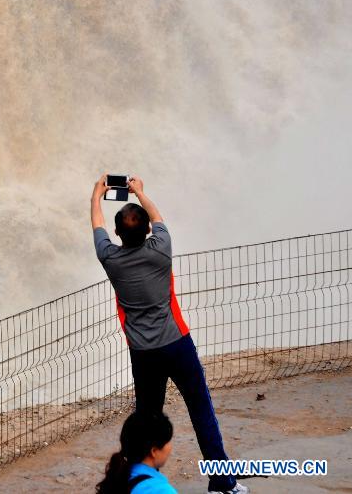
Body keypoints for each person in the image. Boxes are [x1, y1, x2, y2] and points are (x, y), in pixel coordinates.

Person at [90, 175, 246, 494]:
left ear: (117, 235)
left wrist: (96, 196)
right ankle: (222, 483)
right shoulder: (161, 248)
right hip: (177, 345)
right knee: (202, 412)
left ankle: (136, 484)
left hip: (143, 355)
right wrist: (139, 192)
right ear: (148, 230)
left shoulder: (110, 259)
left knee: (146, 423)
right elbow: (157, 216)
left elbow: (97, 225)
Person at [96, 411, 177, 493]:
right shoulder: (161, 490)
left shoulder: (117, 478)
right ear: (154, 451)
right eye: (168, 441)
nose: (170, 446)